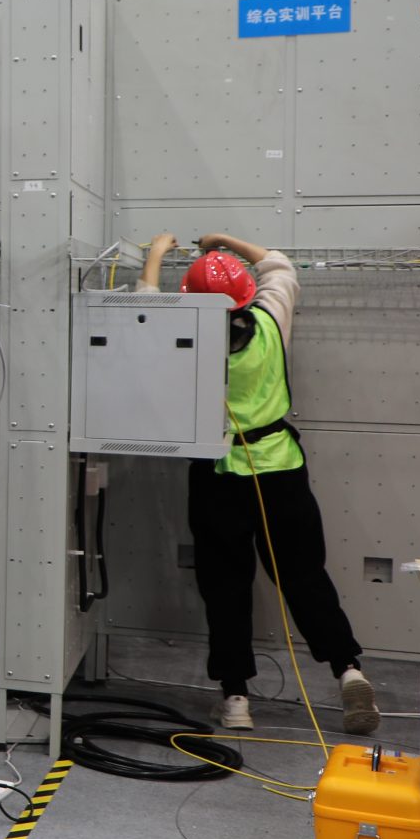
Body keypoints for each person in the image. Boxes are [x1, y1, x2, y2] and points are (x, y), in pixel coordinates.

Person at [138, 234, 379, 735]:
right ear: (246, 293)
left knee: (225, 587)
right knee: (304, 576)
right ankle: (349, 670)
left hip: (218, 474)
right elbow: (278, 265)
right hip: (280, 469)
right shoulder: (272, 317)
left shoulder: (182, 336)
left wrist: (158, 252)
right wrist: (222, 241)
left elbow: (143, 308)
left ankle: (236, 699)